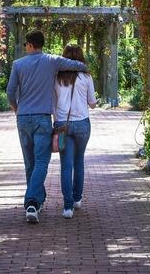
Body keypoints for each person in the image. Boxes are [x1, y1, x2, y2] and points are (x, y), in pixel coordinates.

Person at [6, 30, 88, 224]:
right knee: (42, 162)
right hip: (43, 119)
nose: (25, 47)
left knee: (30, 163)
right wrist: (83, 66)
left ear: (30, 45)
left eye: (26, 44)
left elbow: (10, 91)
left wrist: (16, 109)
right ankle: (33, 202)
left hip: (23, 118)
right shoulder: (52, 60)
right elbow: (77, 65)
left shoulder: (18, 64)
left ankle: (35, 202)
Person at [53, 44, 97, 219]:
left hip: (62, 124)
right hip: (82, 124)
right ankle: (77, 198)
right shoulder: (86, 77)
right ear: (81, 58)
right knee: (79, 161)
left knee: (66, 165)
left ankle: (67, 207)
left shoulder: (56, 77)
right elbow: (92, 104)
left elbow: (52, 103)